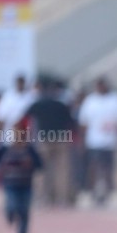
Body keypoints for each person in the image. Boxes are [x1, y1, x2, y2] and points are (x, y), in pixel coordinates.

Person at [25, 78, 78, 207]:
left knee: (42, 170)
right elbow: (71, 123)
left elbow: (25, 118)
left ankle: (43, 198)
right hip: (61, 139)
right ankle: (62, 199)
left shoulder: (38, 104)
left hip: (44, 139)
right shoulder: (62, 105)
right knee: (62, 171)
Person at [76, 77, 117, 207]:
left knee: (108, 168)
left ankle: (106, 193)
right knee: (94, 167)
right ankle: (95, 192)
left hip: (110, 141)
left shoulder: (116, 100)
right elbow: (84, 122)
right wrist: (82, 140)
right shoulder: (90, 101)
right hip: (94, 141)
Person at [0, 123, 43, 233]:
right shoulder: (5, 149)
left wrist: (31, 164)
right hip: (11, 184)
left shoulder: (29, 150)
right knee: (12, 205)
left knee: (24, 212)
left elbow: (40, 165)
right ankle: (9, 214)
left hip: (26, 185)